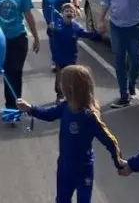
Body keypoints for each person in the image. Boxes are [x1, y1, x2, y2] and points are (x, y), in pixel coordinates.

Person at [15, 65, 124, 203]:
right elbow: (49, 114)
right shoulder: (64, 107)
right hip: (65, 167)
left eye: (62, 81)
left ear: (70, 87)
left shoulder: (89, 116)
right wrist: (30, 109)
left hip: (84, 169)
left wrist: (118, 162)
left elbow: (109, 140)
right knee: (62, 199)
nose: (60, 83)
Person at [50, 4, 100, 102]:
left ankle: (69, 97)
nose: (69, 13)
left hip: (71, 58)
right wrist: (50, 28)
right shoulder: (56, 24)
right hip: (59, 58)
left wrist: (98, 34)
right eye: (66, 11)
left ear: (74, 14)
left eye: (71, 11)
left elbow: (86, 34)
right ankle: (59, 95)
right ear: (62, 13)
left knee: (70, 79)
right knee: (60, 79)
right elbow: (50, 33)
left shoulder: (76, 27)